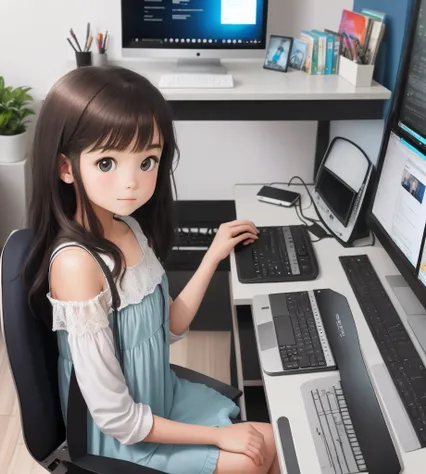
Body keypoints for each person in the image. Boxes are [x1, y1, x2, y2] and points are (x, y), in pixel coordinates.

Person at [24, 65, 280, 474]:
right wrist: (218, 436)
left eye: (147, 161)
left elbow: (170, 326)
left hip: (161, 399)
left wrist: (212, 255)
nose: (133, 183)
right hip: (124, 437)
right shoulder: (76, 264)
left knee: (272, 442)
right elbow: (115, 418)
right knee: (257, 456)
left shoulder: (128, 226)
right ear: (66, 168)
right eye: (107, 162)